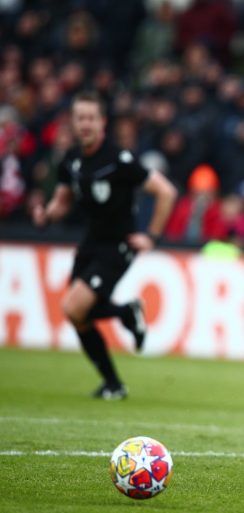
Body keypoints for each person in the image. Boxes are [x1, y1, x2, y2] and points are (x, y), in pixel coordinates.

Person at [32, 91, 177, 400]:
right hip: (90, 243)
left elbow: (165, 191)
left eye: (90, 118)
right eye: (80, 118)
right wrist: (45, 214)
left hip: (118, 245)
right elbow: (62, 202)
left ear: (102, 122)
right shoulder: (70, 160)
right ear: (73, 122)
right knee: (77, 315)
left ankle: (126, 319)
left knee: (73, 306)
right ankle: (114, 379)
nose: (85, 124)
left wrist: (151, 236)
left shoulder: (119, 160)